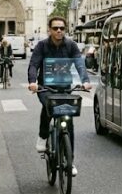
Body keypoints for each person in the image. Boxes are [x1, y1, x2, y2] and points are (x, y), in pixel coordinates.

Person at [27, 16, 91, 176]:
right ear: (49, 30)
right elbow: (34, 64)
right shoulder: (42, 46)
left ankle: (70, 161)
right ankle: (42, 136)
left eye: (62, 28)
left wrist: (85, 81)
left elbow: (79, 63)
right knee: (48, 106)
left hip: (64, 87)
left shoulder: (71, 45)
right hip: (45, 87)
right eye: (55, 28)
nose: (59, 31)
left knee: (68, 123)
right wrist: (32, 82)